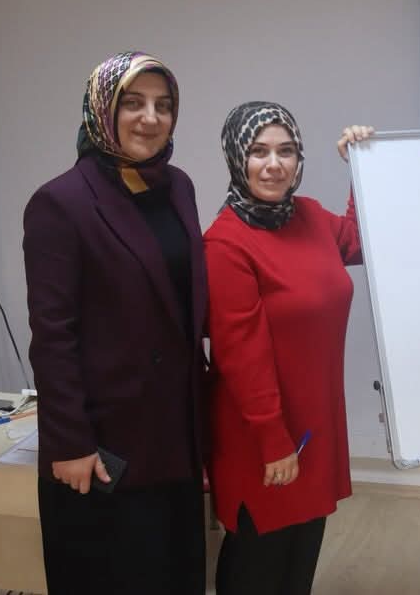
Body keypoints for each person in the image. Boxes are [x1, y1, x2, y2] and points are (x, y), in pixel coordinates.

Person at [22, 51, 208, 594]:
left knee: (175, 575)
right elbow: (53, 337)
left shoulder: (179, 186)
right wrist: (69, 443)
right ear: (102, 109)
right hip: (104, 447)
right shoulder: (60, 202)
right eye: (133, 103)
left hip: (176, 432)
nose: (150, 118)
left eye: (163, 105)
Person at [205, 101, 373, 595]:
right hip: (262, 435)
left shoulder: (311, 216)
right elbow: (241, 357)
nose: (274, 164)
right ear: (237, 157)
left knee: (298, 563)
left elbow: (360, 239)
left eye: (286, 151)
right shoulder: (225, 243)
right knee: (259, 565)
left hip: (313, 425)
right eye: (259, 152)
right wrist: (274, 442)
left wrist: (362, 164)